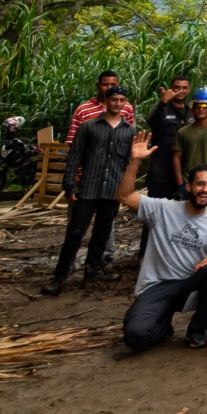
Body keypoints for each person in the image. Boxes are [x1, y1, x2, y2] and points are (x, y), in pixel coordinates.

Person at [116, 132, 207, 350]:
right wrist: (135, 161)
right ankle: (164, 326)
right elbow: (124, 196)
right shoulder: (162, 208)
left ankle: (197, 330)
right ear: (189, 186)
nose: (205, 190)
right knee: (135, 336)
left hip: (188, 286)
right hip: (156, 285)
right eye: (200, 184)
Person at [43, 85, 134, 296]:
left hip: (112, 190)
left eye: (122, 100)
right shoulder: (88, 127)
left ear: (125, 103)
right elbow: (74, 157)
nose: (118, 103)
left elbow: (127, 163)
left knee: (101, 234)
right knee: (75, 233)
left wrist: (125, 192)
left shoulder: (129, 131)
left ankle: (92, 270)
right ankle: (60, 276)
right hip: (88, 188)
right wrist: (69, 185)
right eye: (114, 100)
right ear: (106, 101)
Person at [173, 87, 207, 195]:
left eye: (205, 106)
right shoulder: (182, 132)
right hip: (188, 182)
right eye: (197, 106)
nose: (201, 109)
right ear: (192, 109)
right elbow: (176, 157)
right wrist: (180, 182)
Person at [144, 77, 191, 201]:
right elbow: (153, 123)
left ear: (189, 90)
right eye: (177, 87)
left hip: (184, 172)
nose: (181, 91)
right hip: (161, 172)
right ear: (171, 89)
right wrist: (163, 102)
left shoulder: (190, 113)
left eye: (184, 88)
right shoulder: (161, 107)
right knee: (157, 210)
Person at [66, 70, 137, 144]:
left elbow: (131, 136)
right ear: (97, 86)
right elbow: (72, 140)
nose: (109, 88)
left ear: (118, 85)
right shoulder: (83, 110)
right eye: (105, 85)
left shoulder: (126, 107)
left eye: (113, 85)